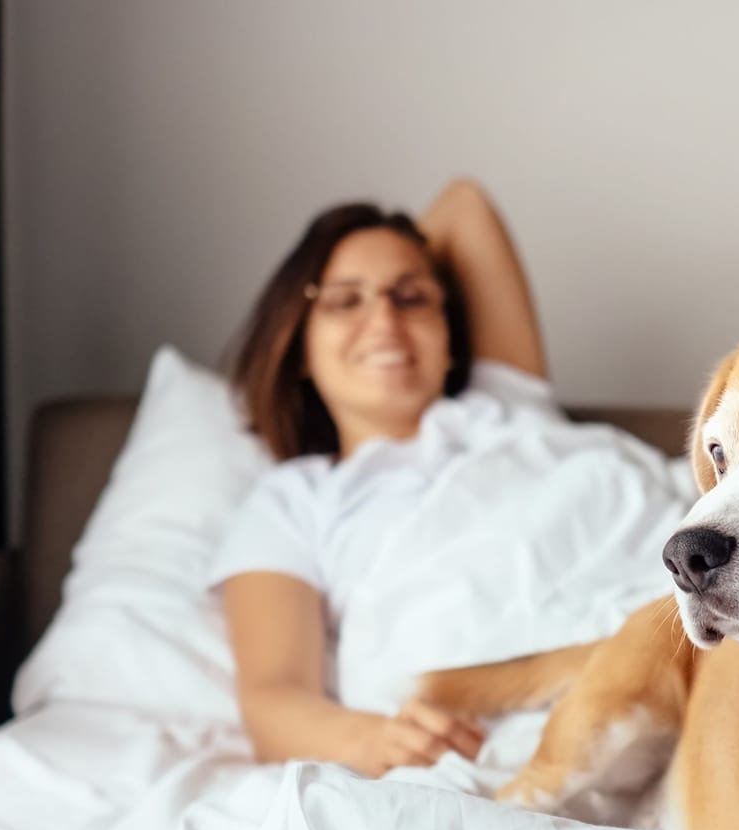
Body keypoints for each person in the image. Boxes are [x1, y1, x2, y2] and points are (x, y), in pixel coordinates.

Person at [211, 179, 546, 777]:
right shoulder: (295, 499)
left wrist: (379, 255)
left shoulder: (509, 409)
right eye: (345, 303)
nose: (384, 318)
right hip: (487, 725)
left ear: (449, 337)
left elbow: (465, 205)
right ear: (301, 347)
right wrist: (374, 740)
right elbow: (272, 698)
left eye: (411, 297)